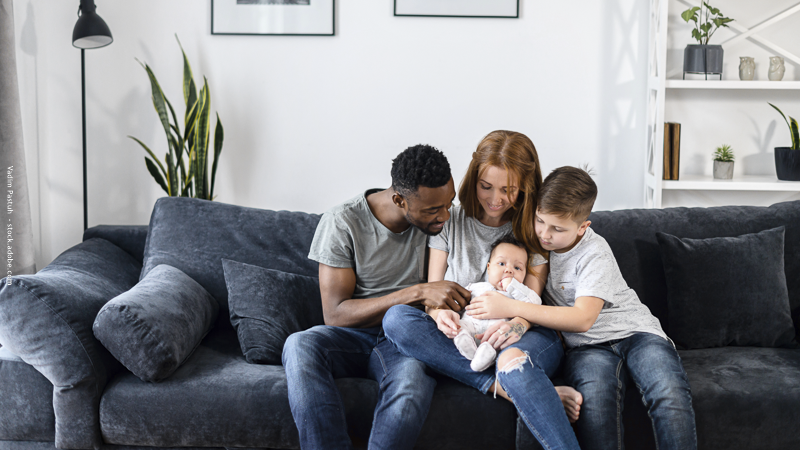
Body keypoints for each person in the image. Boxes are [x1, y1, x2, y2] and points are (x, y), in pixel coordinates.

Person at [465, 166, 697, 450]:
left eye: (557, 229)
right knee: (597, 405)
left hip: (636, 333)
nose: (545, 234)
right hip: (587, 348)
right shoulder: (534, 248)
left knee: (668, 394)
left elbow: (583, 318)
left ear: (583, 227)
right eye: (540, 221)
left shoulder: (594, 251)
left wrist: (511, 306)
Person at [383, 130, 582, 450]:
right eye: (486, 186)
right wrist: (439, 314)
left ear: (525, 188)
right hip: (463, 335)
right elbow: (433, 295)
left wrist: (513, 327)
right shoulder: (450, 220)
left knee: (512, 359)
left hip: (524, 331)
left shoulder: (535, 228)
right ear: (473, 178)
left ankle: (520, 381)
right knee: (396, 319)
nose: (494, 199)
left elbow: (531, 303)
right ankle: (513, 389)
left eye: (508, 190)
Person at [282, 144, 471, 450]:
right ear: (399, 199)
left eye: (449, 203)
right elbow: (335, 314)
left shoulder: (444, 225)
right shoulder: (342, 223)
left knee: (410, 381)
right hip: (353, 338)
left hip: (406, 338)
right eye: (433, 210)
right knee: (299, 344)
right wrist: (418, 291)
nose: (445, 216)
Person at [454, 234, 543, 372]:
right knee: (460, 327)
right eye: (501, 264)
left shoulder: (518, 294)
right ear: (489, 268)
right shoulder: (475, 287)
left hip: (497, 333)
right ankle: (466, 343)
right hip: (471, 325)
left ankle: (485, 355)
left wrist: (513, 286)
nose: (508, 270)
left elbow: (535, 304)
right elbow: (457, 300)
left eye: (517, 268)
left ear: (525, 275)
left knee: (497, 342)